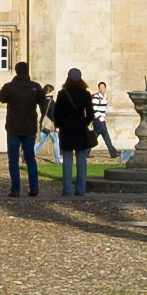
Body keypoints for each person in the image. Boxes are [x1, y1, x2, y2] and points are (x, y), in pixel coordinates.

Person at [0, 60, 49, 201]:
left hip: (14, 128)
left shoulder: (10, 87)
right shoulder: (34, 86)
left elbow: (1, 97)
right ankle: (34, 187)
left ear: (16, 71)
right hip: (29, 128)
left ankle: (15, 189)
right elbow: (43, 101)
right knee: (30, 158)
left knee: (13, 159)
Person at [49, 69, 97, 200]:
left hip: (67, 127)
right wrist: (84, 122)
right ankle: (81, 189)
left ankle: (67, 189)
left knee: (68, 159)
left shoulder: (62, 94)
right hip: (80, 127)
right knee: (81, 159)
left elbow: (57, 112)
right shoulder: (85, 94)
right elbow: (91, 114)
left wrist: (59, 124)